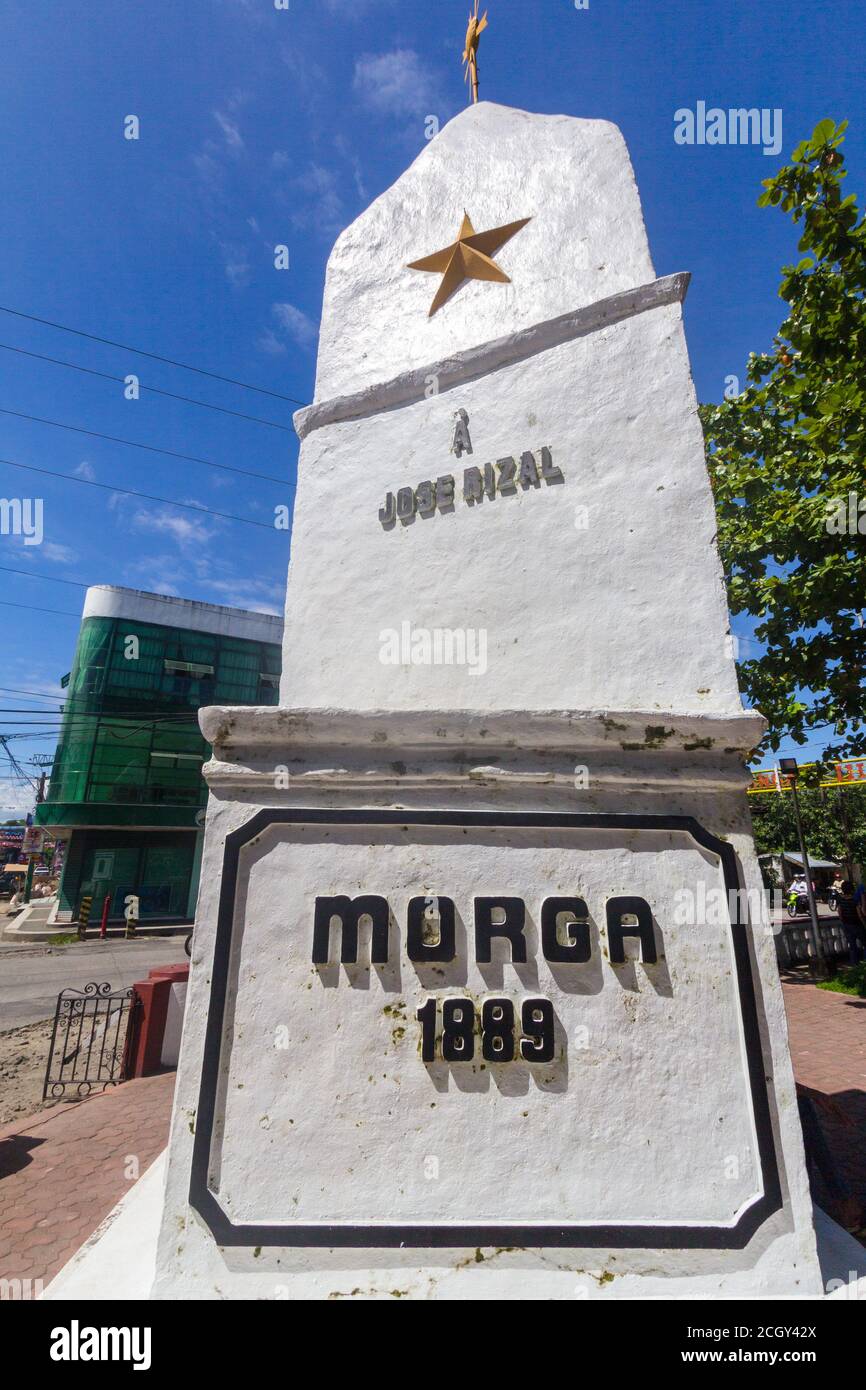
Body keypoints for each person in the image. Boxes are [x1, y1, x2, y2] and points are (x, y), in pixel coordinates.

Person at [835, 881, 866, 966]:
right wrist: (864, 924)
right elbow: (860, 915)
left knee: (852, 947)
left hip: (847, 925)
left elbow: (840, 913)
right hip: (857, 925)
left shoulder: (840, 900)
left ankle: (854, 964)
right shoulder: (855, 900)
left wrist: (844, 922)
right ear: (852, 889)